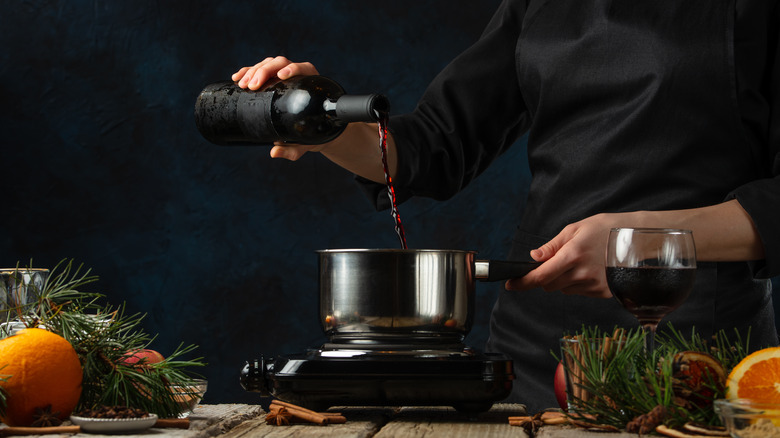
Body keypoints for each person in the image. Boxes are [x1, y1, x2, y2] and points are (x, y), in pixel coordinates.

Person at [232, 0, 780, 412]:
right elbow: (431, 147)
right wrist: (325, 126)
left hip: (692, 353)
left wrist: (641, 246)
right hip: (538, 353)